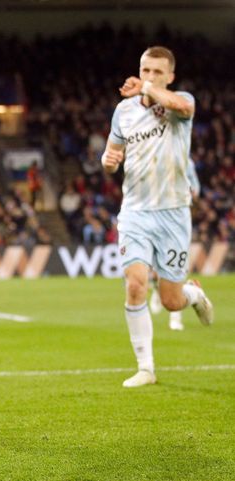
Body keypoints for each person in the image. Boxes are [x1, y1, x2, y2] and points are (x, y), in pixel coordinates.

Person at [101, 46, 213, 388]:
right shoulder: (123, 111)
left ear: (170, 77)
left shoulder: (181, 103)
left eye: (156, 72)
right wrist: (109, 163)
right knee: (135, 285)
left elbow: (181, 106)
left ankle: (193, 295)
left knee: (170, 300)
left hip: (173, 214)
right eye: (145, 70)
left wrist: (146, 89)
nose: (149, 76)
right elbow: (112, 154)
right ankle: (146, 368)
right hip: (135, 212)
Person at [148, 157, 202, 331]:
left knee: (176, 269)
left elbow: (195, 188)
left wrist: (190, 194)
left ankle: (175, 319)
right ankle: (157, 289)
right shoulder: (153, 157)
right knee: (157, 269)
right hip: (154, 216)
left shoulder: (187, 162)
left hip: (177, 219)